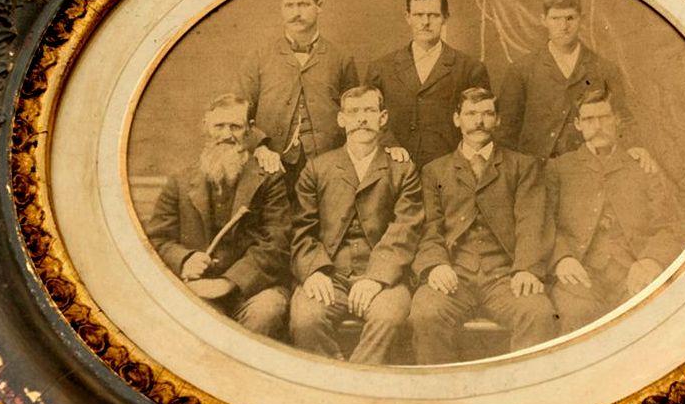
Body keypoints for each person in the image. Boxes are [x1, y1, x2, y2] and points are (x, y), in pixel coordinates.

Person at [409, 87, 557, 364]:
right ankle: (441, 400)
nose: (479, 121)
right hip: (455, 274)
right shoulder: (434, 171)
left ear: (498, 120)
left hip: (505, 276)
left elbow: (531, 221)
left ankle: (527, 400)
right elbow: (429, 227)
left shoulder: (522, 166)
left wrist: (525, 269)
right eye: (471, 114)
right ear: (457, 119)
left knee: (538, 313)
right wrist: (436, 265)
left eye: (488, 114)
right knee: (426, 312)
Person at [289, 85, 424, 364]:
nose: (362, 119)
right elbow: (301, 228)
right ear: (342, 120)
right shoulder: (317, 168)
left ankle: (355, 383)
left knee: (388, 318)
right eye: (354, 112)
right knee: (305, 319)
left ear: (383, 118)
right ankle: (339, 383)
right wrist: (313, 271)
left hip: (385, 277)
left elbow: (406, 228)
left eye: (370, 111)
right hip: (330, 272)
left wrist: (376, 277)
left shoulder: (402, 169)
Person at [146, 94, 293, 338]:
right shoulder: (180, 181)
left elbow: (277, 243)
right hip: (198, 285)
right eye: (219, 126)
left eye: (235, 126)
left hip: (255, 288)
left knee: (266, 312)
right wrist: (185, 259)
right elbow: (158, 239)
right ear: (206, 127)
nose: (227, 134)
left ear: (248, 130)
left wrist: (230, 282)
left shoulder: (269, 179)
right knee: (191, 314)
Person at [547, 88, 683, 334]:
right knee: (576, 313)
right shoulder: (559, 169)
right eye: (589, 119)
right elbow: (545, 225)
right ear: (577, 124)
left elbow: (668, 226)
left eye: (604, 117)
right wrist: (562, 258)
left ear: (617, 120)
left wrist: (651, 260)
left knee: (646, 310)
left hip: (632, 268)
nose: (597, 126)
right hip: (579, 270)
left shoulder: (640, 166)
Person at [235, 0, 359, 191]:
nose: (296, 12)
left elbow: (355, 113)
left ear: (319, 6)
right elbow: (237, 112)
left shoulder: (340, 58)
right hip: (272, 163)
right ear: (281, 10)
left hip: (327, 164)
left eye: (303, 4)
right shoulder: (259, 56)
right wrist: (260, 147)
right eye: (289, 6)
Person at [499, 0, 645, 162]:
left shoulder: (604, 69)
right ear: (543, 20)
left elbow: (622, 116)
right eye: (556, 19)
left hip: (587, 168)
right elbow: (507, 131)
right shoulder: (522, 69)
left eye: (570, 18)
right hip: (536, 171)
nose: (564, 27)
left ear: (581, 20)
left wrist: (634, 145)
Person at [365, 0, 490, 167]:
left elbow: (480, 122)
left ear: (445, 18)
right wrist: (390, 145)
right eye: (418, 15)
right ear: (408, 17)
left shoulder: (470, 68)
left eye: (433, 15)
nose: (425, 22)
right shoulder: (381, 68)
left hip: (449, 168)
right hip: (392, 165)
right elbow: (368, 115)